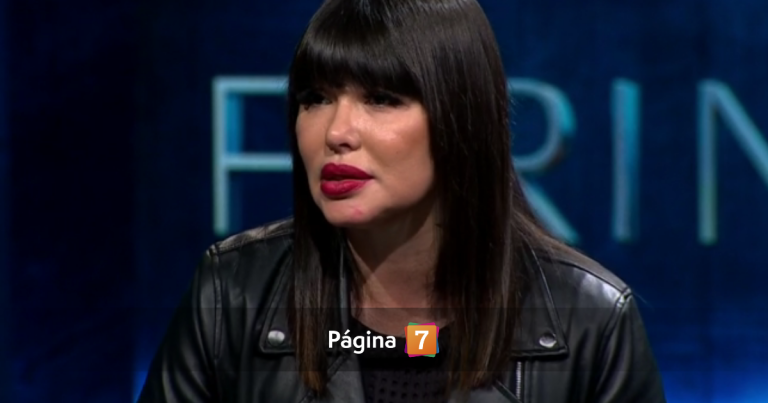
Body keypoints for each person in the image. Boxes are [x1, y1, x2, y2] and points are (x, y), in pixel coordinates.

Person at [137, 0, 667, 402]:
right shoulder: (232, 294)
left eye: (381, 98)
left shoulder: (590, 321)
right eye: (316, 98)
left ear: (461, 119)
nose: (337, 132)